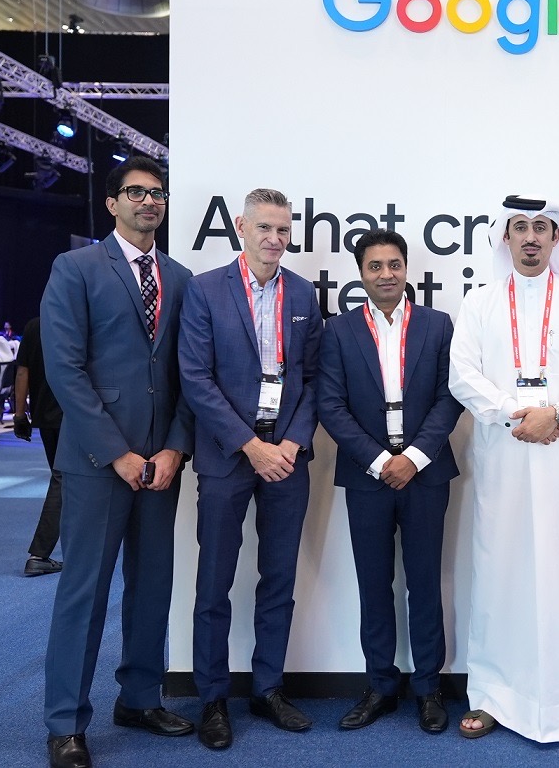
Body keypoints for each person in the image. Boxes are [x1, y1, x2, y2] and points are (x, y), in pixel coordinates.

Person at [40, 155, 195, 768]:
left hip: (162, 464)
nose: (149, 201)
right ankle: (65, 723)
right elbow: (64, 369)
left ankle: (139, 698)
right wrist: (118, 453)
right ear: (112, 203)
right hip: (98, 462)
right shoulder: (75, 268)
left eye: (157, 193)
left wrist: (175, 447)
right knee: (85, 592)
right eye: (135, 192)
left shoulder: (180, 278)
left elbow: (190, 374)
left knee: (153, 587)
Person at [447, 194, 559, 743]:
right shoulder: (480, 301)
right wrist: (514, 414)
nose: (530, 237)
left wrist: (557, 413)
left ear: (556, 237)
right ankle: (495, 696)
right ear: (505, 237)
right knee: (503, 576)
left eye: (541, 227)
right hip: (507, 456)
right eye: (519, 227)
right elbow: (462, 375)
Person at [178, 188, 322, 750]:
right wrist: (249, 445)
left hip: (287, 457)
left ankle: (267, 688)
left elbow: (313, 378)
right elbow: (195, 378)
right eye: (264, 228)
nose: (274, 239)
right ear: (241, 226)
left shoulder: (303, 293)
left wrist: (291, 442)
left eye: (283, 230)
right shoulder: (205, 289)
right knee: (214, 580)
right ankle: (213, 697)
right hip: (226, 456)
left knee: (279, 578)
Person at [317, 230, 463, 734]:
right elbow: (330, 406)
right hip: (367, 477)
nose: (386, 274)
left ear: (406, 268)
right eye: (375, 266)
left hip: (426, 474)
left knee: (424, 583)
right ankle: (380, 685)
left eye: (394, 264)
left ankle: (428, 688)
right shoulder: (338, 331)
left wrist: (415, 457)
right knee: (373, 584)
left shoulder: (437, 325)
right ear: (361, 273)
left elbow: (450, 396)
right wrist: (381, 461)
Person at [12, 316, 65, 576]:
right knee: (64, 480)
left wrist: (19, 415)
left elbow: (23, 372)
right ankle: (39, 554)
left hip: (44, 416)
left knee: (63, 478)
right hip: (73, 414)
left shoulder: (34, 326)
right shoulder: (79, 319)